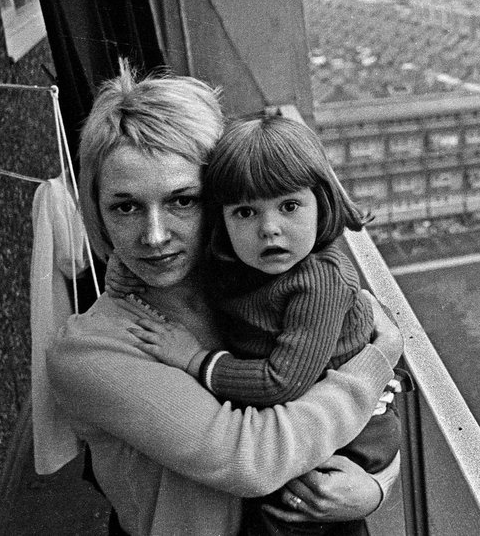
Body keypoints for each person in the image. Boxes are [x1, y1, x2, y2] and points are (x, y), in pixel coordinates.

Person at [46, 64, 403, 536]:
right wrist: (381, 357)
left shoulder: (256, 285)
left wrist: (375, 485)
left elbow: (361, 416)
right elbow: (251, 458)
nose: (154, 237)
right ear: (98, 212)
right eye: (126, 207)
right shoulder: (90, 352)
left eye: (181, 200)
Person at [127, 114, 402, 536]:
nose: (269, 229)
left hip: (353, 436)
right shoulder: (242, 267)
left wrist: (194, 359)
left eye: (289, 206)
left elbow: (281, 382)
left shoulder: (319, 279)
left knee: (290, 514)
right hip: (309, 421)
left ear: (321, 203)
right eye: (245, 212)